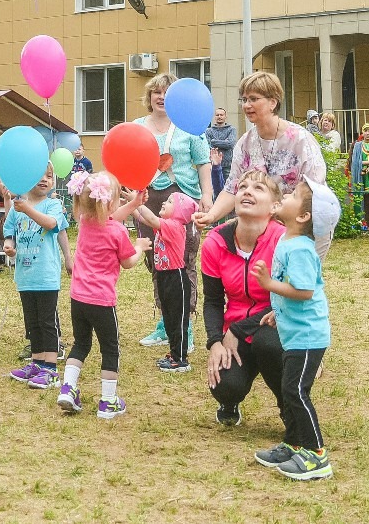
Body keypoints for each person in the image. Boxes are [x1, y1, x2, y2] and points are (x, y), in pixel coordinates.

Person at [247, 178, 332, 481]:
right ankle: (295, 443)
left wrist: (269, 285)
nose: (286, 194)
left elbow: (305, 290)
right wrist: (276, 310)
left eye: (294, 195)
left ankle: (317, 454)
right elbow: (291, 290)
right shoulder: (287, 238)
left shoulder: (300, 250)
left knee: (296, 391)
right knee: (289, 388)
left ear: (303, 216)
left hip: (308, 335)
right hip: (293, 332)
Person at [56, 171, 147, 420]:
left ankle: (68, 387)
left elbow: (109, 216)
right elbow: (128, 262)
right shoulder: (118, 232)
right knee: (110, 349)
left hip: (78, 298)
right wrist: (139, 247)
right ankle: (108, 402)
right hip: (102, 301)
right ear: (109, 202)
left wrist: (133, 203)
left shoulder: (85, 220)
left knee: (81, 344)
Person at [202, 171, 287, 429]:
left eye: (258, 188)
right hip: (234, 329)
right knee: (225, 385)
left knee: (268, 344)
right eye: (242, 187)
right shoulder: (215, 242)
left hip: (277, 323)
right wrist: (215, 341)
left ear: (275, 206)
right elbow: (213, 301)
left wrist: (237, 331)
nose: (247, 191)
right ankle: (229, 403)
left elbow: (286, 301)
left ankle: (289, 406)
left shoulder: (284, 241)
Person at [135, 74, 212, 349]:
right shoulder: (137, 127)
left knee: (184, 262)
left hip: (182, 200)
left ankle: (185, 326)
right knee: (157, 261)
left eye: (167, 93)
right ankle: (166, 325)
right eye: (156, 92)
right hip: (148, 199)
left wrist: (207, 195)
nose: (161, 97)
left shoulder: (189, 126)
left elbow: (203, 162)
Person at [196, 72, 325, 229]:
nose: (247, 105)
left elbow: (313, 191)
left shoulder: (301, 140)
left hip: (301, 226)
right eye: (244, 100)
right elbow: (231, 189)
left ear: (272, 102)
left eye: (254, 99)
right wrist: (211, 215)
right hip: (262, 229)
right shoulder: (245, 143)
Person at [5, 169, 70, 390]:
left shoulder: (52, 205)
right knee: (32, 323)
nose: (44, 179)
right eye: (39, 174)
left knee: (47, 322)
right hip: (25, 275)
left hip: (46, 275)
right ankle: (37, 362)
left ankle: (50, 369)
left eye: (49, 176)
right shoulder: (17, 207)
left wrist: (27, 209)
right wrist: (9, 246)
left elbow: (51, 224)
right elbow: (9, 232)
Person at [135, 191, 199, 374]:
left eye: (170, 201)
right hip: (164, 277)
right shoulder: (165, 225)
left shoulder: (174, 225)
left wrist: (137, 201)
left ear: (179, 212)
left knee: (178, 321)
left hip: (176, 278)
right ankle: (174, 353)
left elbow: (151, 219)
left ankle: (181, 360)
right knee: (170, 319)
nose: (164, 201)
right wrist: (131, 204)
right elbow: (142, 217)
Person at [207, 108, 236, 194]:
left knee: (229, 190)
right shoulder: (209, 131)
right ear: (214, 117)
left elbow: (230, 144)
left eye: (221, 115)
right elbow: (208, 146)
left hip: (228, 165)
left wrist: (214, 141)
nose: (219, 117)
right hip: (214, 166)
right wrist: (224, 143)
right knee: (215, 190)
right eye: (217, 115)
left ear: (225, 116)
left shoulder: (231, 129)